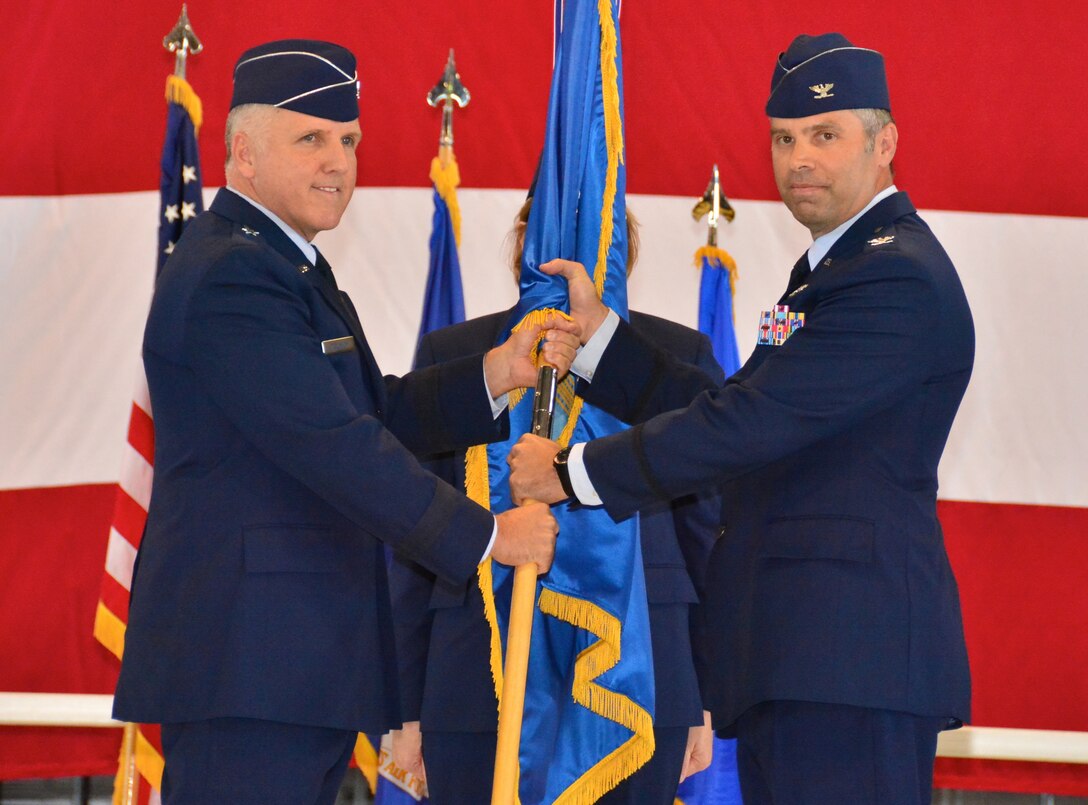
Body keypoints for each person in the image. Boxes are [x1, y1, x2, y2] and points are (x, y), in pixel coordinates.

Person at [508, 33, 974, 804]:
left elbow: (749, 423)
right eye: (784, 138)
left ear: (885, 142)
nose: (800, 159)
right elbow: (729, 407)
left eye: (825, 136)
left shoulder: (895, 276)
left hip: (848, 662)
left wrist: (573, 474)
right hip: (803, 656)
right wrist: (602, 347)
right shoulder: (835, 269)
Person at [112, 40, 578, 805]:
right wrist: (489, 535)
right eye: (311, 138)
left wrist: (497, 372)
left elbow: (368, 410)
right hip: (251, 665)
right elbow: (336, 446)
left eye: (349, 139)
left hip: (287, 664)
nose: (338, 160)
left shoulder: (283, 262)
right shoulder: (234, 273)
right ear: (243, 154)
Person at [387, 201, 721, 804]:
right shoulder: (457, 355)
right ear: (520, 239)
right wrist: (406, 705)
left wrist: (699, 692)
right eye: (542, 230)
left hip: (641, 678)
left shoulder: (676, 357)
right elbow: (413, 535)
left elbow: (705, 537)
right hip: (472, 672)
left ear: (623, 246)